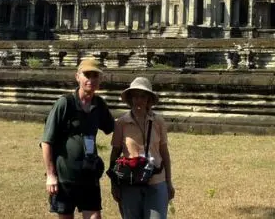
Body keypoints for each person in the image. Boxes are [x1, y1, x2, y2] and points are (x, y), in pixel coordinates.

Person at [41, 58, 116, 219]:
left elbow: (112, 128)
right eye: (87, 75)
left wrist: (138, 120)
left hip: (89, 174)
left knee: (95, 216)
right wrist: (51, 175)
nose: (91, 80)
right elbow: (46, 141)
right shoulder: (65, 103)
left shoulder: (99, 105)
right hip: (65, 176)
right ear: (77, 77)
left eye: (95, 76)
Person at [108, 77, 175, 219]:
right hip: (131, 182)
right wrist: (114, 185)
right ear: (130, 99)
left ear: (149, 100)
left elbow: (164, 153)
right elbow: (114, 155)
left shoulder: (158, 122)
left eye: (143, 96)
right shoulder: (122, 123)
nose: (138, 100)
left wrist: (168, 182)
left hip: (157, 180)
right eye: (135, 96)